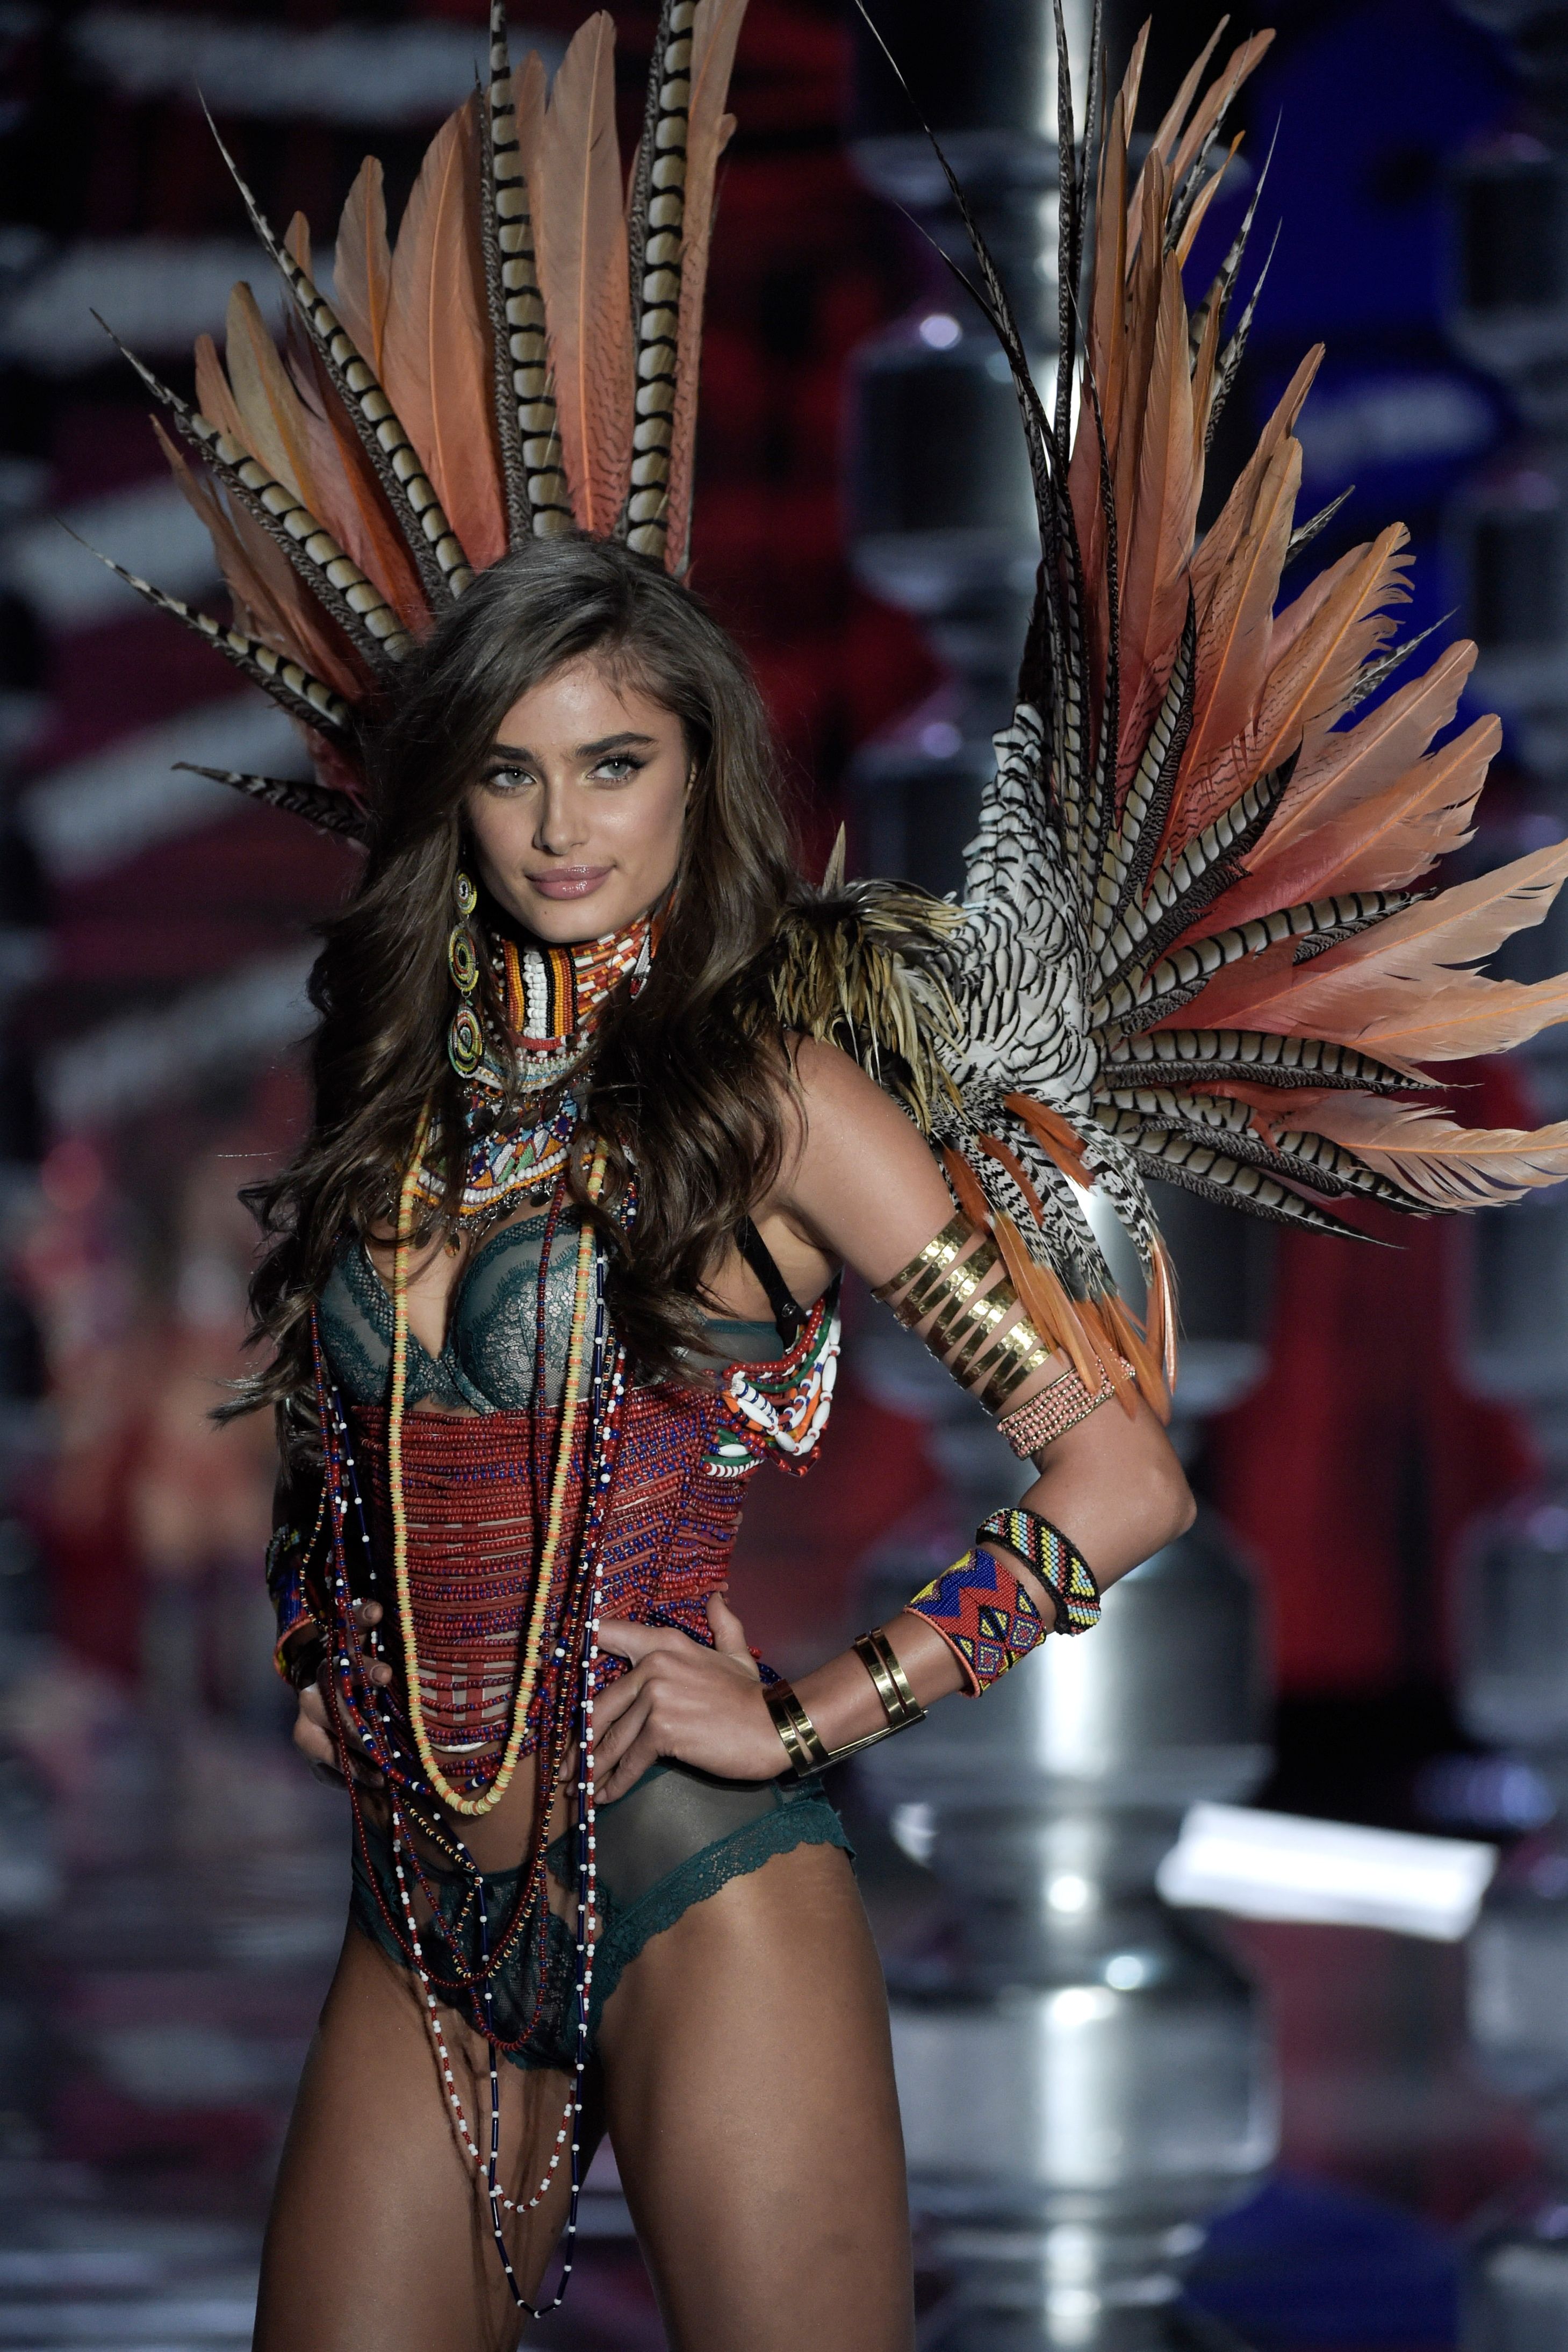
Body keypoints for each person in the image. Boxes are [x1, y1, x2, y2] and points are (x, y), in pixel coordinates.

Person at [102, 4, 1568, 2347]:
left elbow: (1122, 1475)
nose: (561, 824)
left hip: (703, 1885)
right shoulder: (395, 1092)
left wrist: (807, 1716)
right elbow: (334, 1452)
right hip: (423, 1908)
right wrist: (318, 1652)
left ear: (698, 783)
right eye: (511, 770)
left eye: (616, 763)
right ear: (454, 797)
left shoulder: (775, 1096)